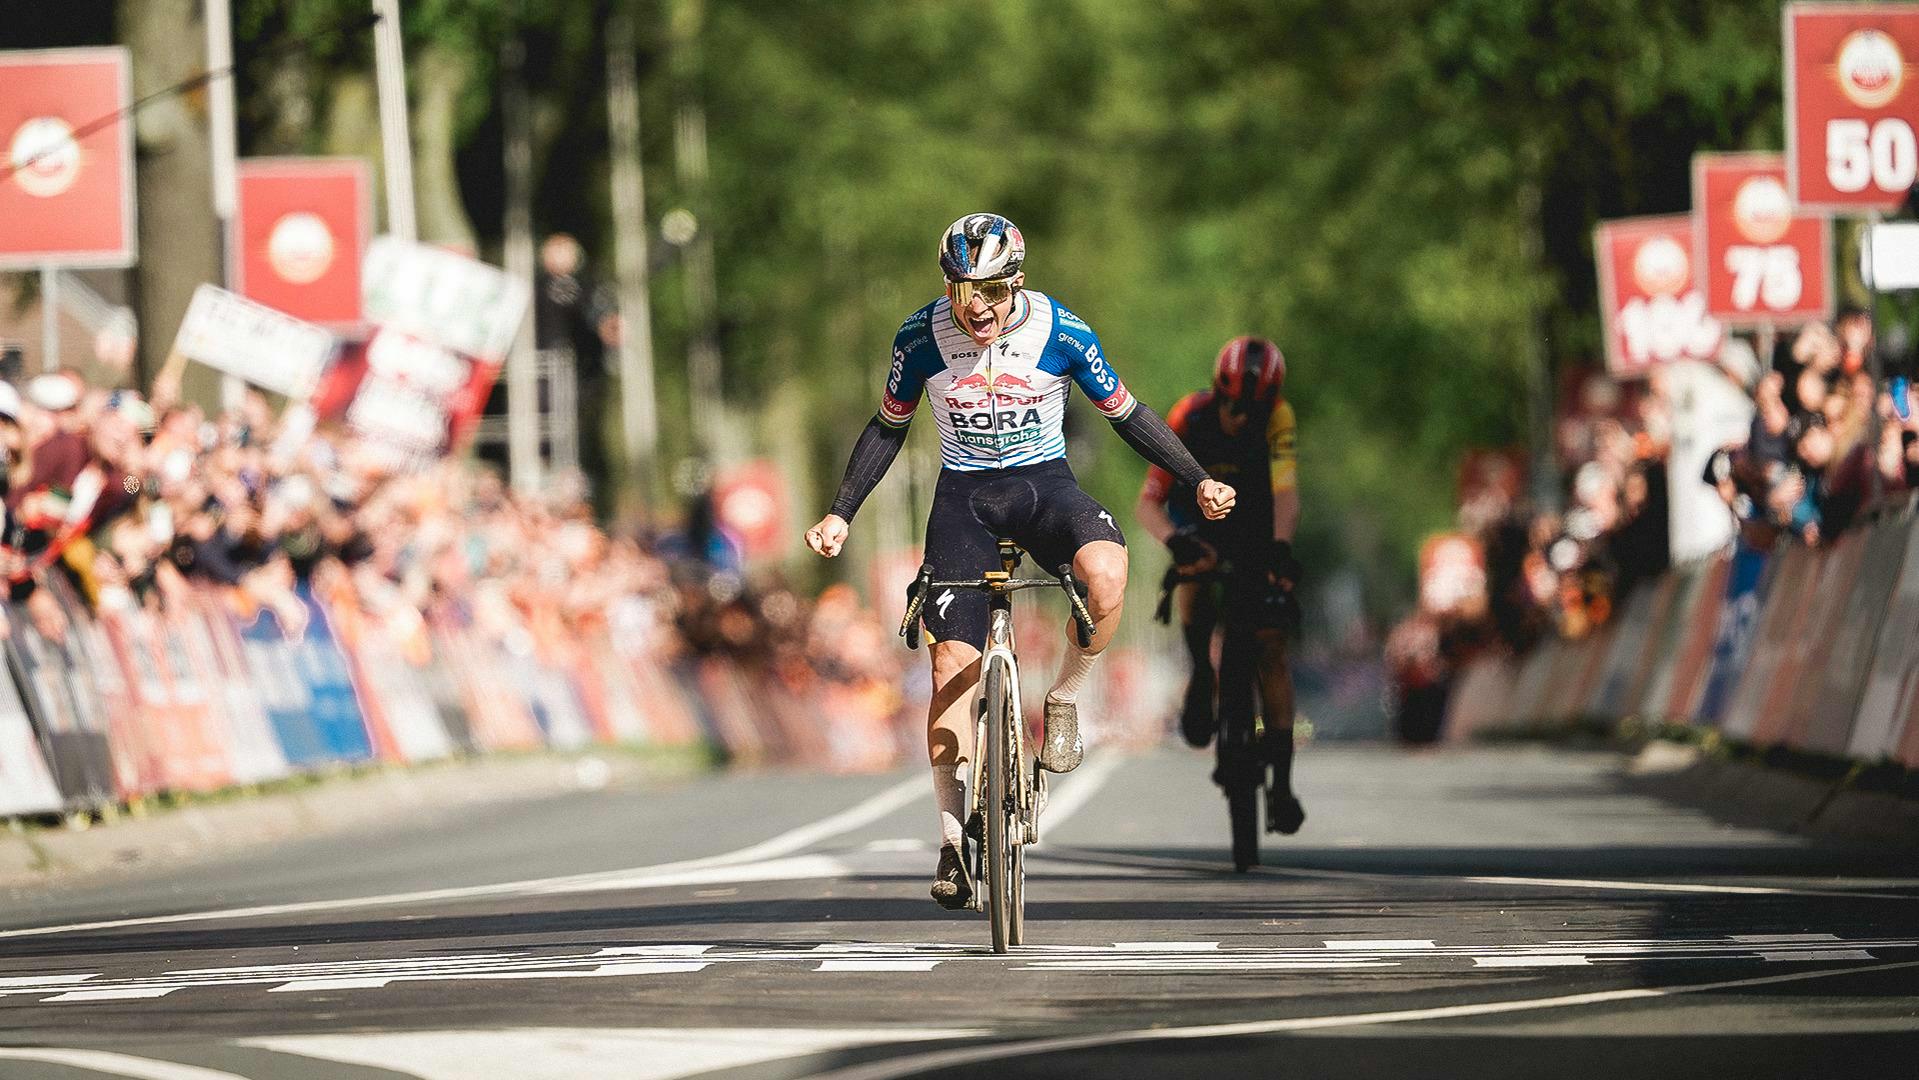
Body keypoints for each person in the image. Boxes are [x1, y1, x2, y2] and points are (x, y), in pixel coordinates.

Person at [805, 213, 1235, 909]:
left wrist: (1197, 479)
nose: (979, 308)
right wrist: (839, 512)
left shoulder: (1062, 331)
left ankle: (1063, 697)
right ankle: (950, 842)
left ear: (1018, 283)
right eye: (962, 292)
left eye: (995, 291)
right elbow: (888, 427)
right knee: (951, 667)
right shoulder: (919, 339)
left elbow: (1127, 414)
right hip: (964, 498)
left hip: (1045, 487)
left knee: (1106, 575)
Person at [1133, 335, 1306, 835]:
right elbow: (1148, 503)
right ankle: (1200, 676)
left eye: (1255, 411)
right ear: (1217, 395)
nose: (1243, 420)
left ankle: (1282, 781)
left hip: (1257, 529)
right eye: (1234, 409)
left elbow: (1287, 493)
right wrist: (1175, 542)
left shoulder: (1279, 419)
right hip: (1199, 529)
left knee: (1270, 645)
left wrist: (1280, 550)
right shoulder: (1189, 414)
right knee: (1194, 576)